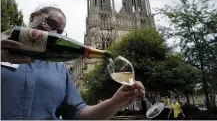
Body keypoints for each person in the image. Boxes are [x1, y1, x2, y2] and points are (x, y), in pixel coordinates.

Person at [1, 6, 146, 120]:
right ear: (33, 17)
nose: (53, 32)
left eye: (59, 31)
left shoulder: (60, 70)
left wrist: (115, 102)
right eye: (51, 22)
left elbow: (77, 113)